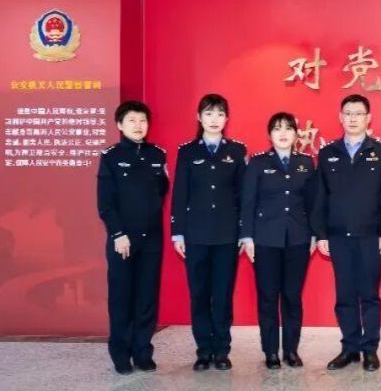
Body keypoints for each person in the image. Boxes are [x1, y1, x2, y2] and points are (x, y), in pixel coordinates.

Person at [313, 95, 381, 372]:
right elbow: (320, 197)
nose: (352, 118)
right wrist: (321, 235)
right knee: (345, 294)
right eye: (348, 113)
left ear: (368, 118)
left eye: (358, 113)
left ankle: (370, 349)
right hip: (338, 236)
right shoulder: (328, 153)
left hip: (371, 236)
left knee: (369, 294)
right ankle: (349, 348)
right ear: (340, 117)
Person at [170, 94, 246, 371]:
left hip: (227, 235)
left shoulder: (237, 151)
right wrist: (178, 233)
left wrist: (243, 232)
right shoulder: (187, 152)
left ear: (227, 119)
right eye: (209, 114)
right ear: (199, 117)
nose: (215, 119)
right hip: (196, 235)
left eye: (220, 114)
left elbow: (243, 195)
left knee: (223, 294)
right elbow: (180, 193)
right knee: (200, 294)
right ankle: (203, 350)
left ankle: (222, 350)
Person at [97, 100, 169, 375]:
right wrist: (118, 233)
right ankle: (120, 353)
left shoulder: (157, 155)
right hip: (123, 240)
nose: (138, 126)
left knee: (147, 297)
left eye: (142, 121)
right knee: (121, 297)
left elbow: (161, 191)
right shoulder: (111, 156)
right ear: (120, 124)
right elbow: (106, 203)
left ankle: (142, 352)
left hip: (151, 238)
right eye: (131, 121)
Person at [240, 112, 316, 369]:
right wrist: (247, 237)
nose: (283, 134)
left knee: (292, 295)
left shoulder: (306, 162)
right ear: (269, 134)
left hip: (298, 238)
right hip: (265, 240)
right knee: (268, 296)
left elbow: (313, 202)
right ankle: (271, 351)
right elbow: (248, 202)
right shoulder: (258, 163)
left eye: (288, 128)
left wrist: (314, 234)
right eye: (277, 129)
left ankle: (291, 350)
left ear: (296, 134)